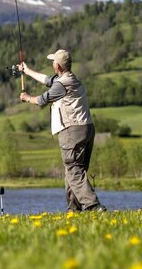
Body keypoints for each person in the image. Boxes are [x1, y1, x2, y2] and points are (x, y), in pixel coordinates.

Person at [17, 49, 106, 212]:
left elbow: (43, 100)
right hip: (87, 128)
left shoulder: (61, 85)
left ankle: (94, 206)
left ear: (57, 65)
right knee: (74, 171)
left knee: (73, 171)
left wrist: (27, 98)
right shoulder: (71, 79)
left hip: (72, 131)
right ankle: (73, 209)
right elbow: (46, 80)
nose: (51, 63)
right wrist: (27, 71)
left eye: (53, 61)